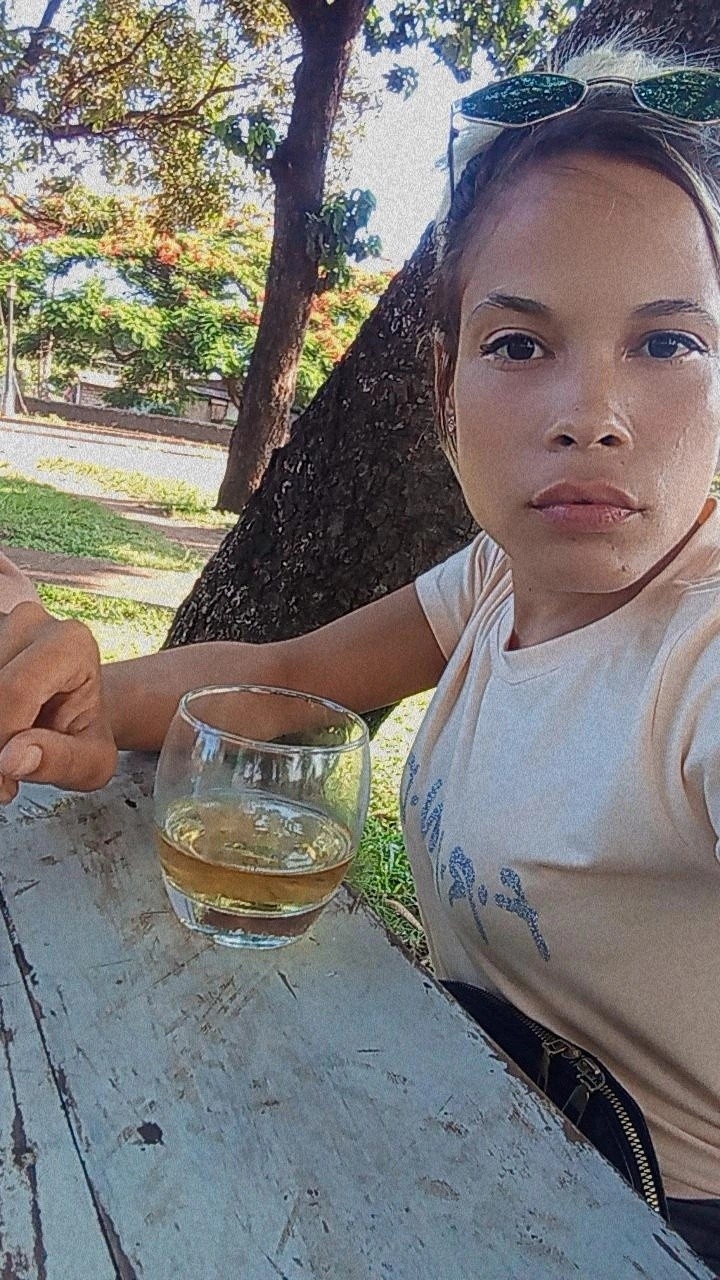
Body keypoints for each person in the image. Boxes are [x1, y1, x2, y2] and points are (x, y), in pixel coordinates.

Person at [0, 35, 718, 1269]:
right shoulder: (499, 575)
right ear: (445, 386)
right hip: (447, 1128)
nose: (591, 415)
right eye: (519, 344)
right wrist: (80, 698)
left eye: (668, 343)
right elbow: (290, 678)